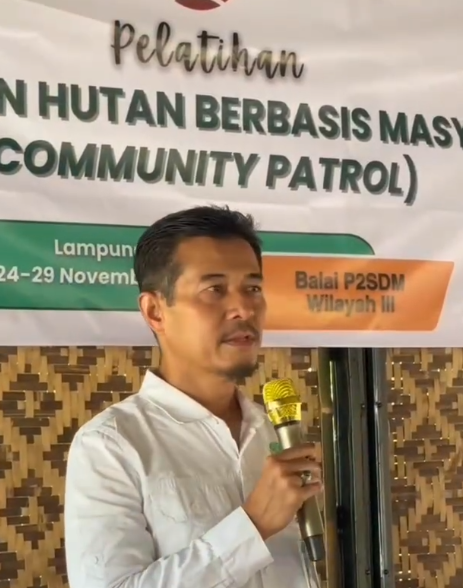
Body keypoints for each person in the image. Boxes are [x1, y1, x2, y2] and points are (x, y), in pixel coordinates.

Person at [64, 205, 323, 588]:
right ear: (155, 311)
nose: (244, 308)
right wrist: (253, 526)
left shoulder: (276, 435)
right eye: (214, 290)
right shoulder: (111, 445)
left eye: (253, 288)